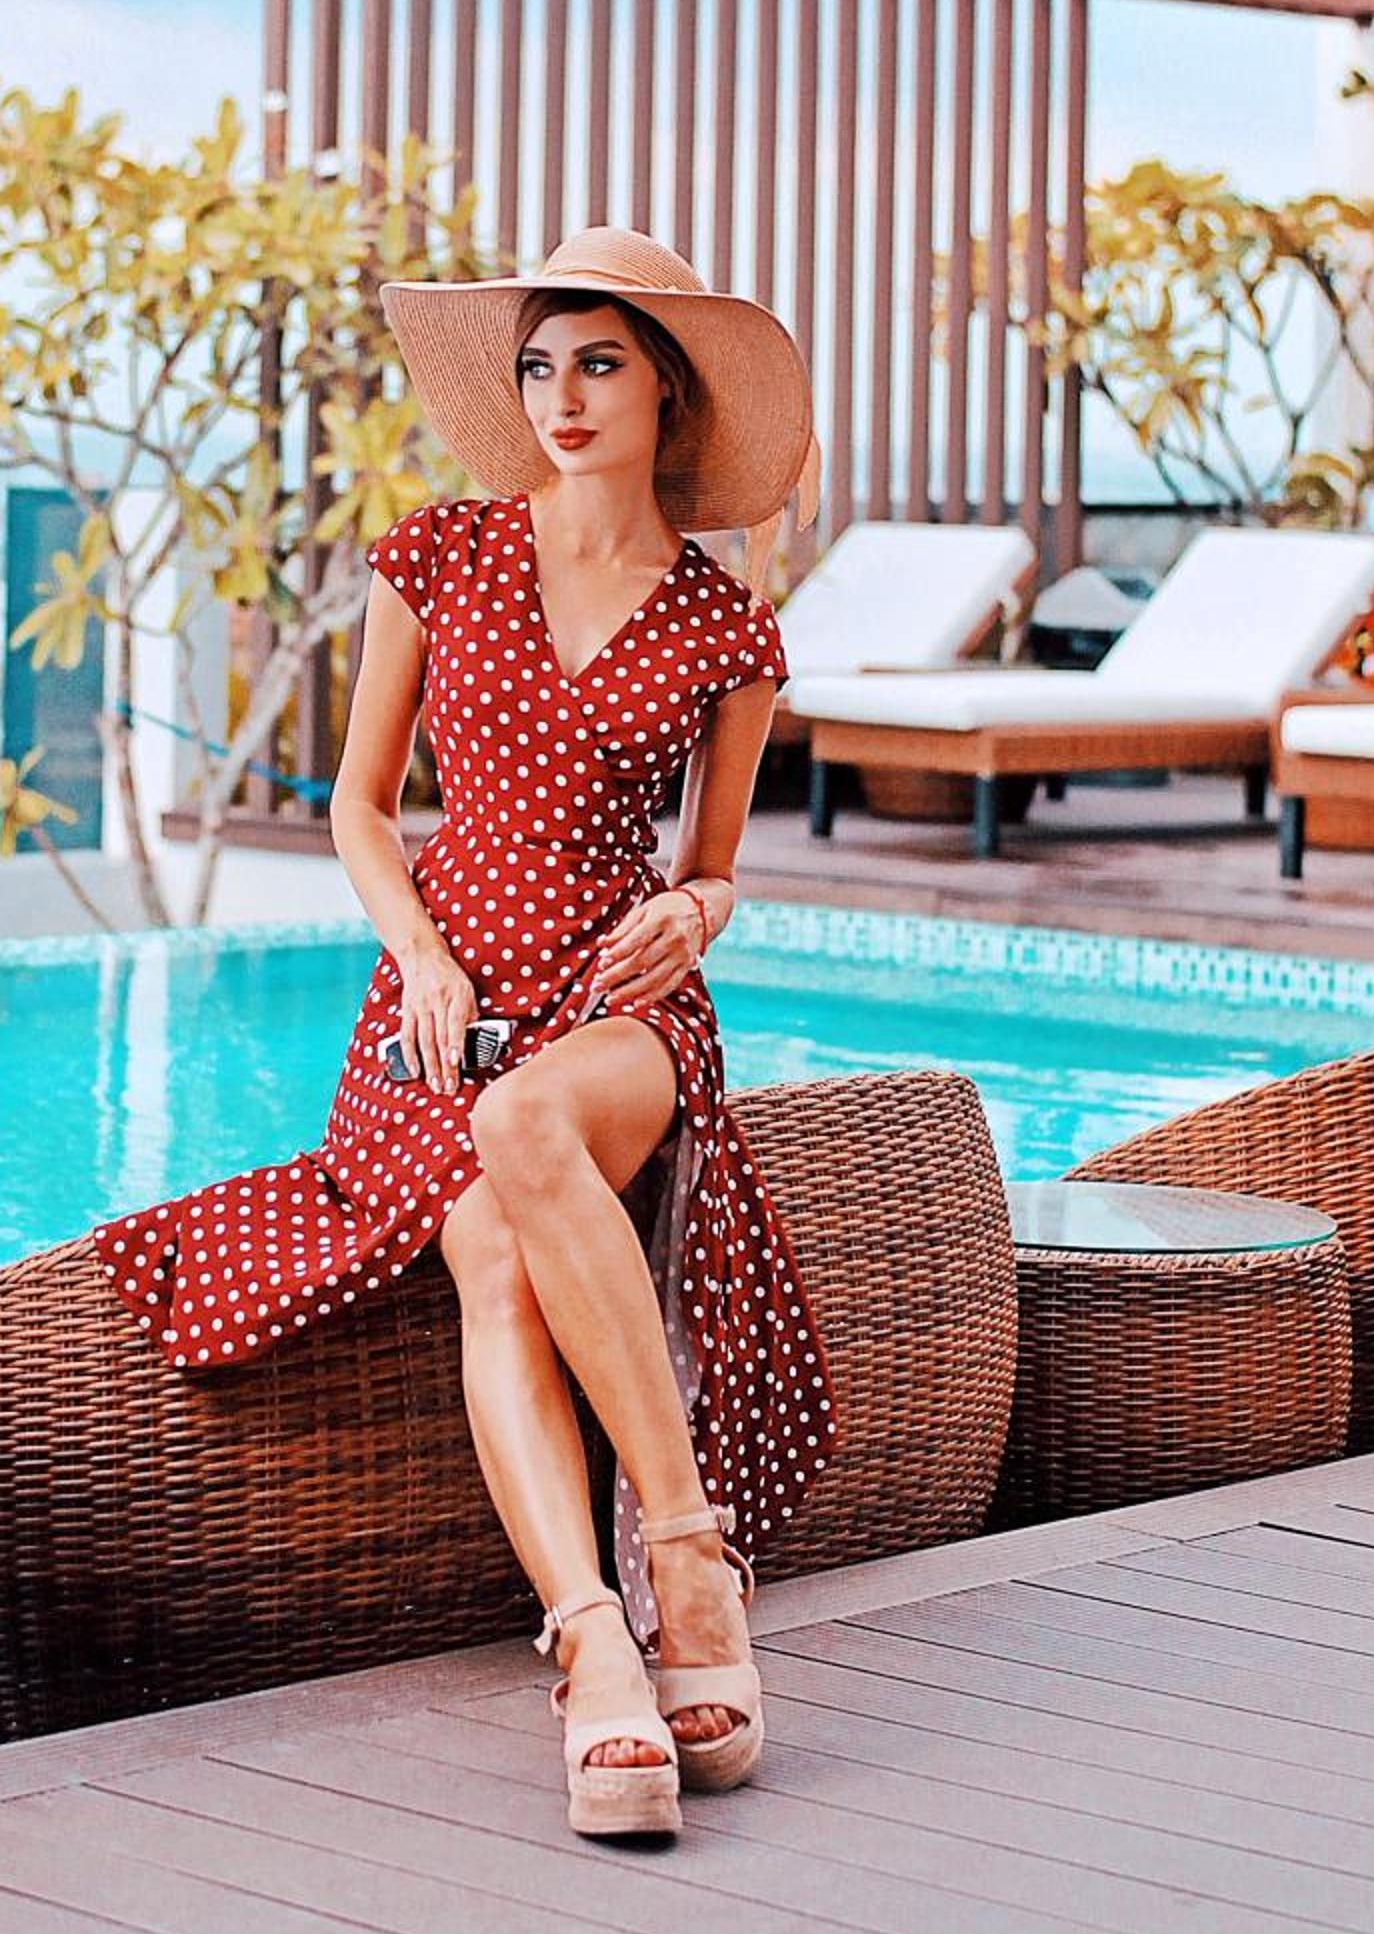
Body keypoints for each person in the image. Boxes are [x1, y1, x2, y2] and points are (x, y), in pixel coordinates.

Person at [92, 224, 836, 1838]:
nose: (561, 396)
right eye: (539, 364)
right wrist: (420, 954)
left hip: (621, 1003)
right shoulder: (436, 556)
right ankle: (599, 1646)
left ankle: (688, 1560)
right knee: (492, 1245)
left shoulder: (728, 629)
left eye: (600, 363)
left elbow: (715, 867)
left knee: (526, 1125)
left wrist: (698, 914)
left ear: (667, 389)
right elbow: (361, 809)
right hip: (439, 1008)